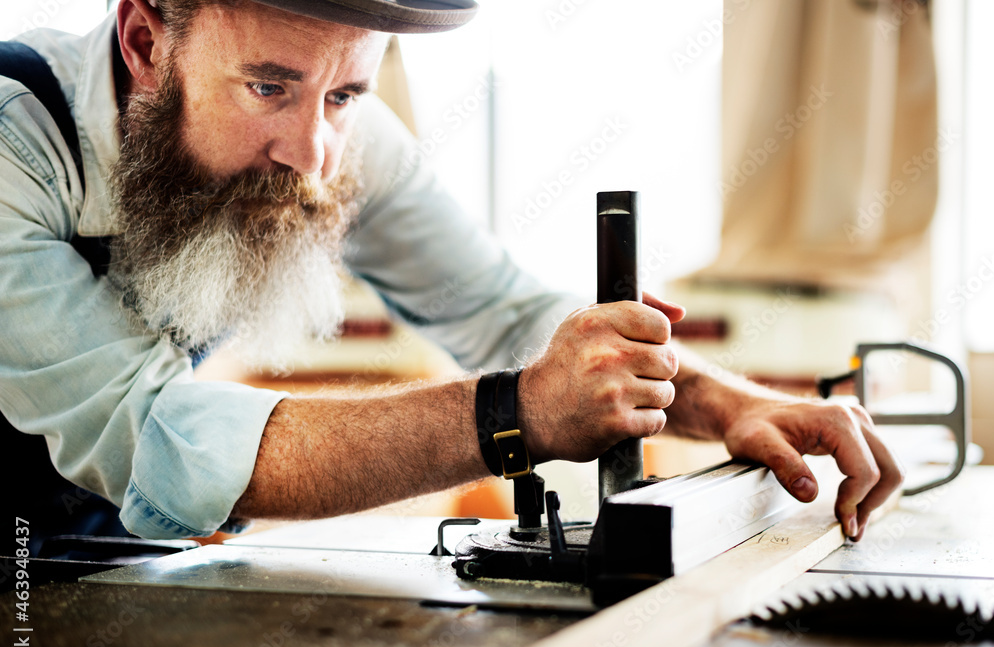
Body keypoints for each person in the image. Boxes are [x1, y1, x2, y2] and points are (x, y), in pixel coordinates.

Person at [0, 0, 901, 552]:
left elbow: (504, 311)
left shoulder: (339, 140)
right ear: (146, 41)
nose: (314, 154)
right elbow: (151, 433)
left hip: (92, 565)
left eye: (345, 94)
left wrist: (731, 405)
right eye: (267, 88)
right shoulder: (15, 143)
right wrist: (516, 416)